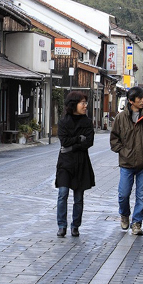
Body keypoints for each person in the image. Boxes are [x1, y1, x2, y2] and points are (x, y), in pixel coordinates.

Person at [110, 86, 143, 236]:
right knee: (123, 194)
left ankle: (137, 223)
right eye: (138, 98)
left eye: (142, 98)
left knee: (142, 195)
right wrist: (122, 151)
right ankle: (124, 214)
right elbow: (114, 139)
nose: (141, 101)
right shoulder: (121, 118)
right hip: (126, 163)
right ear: (131, 101)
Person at [55, 91, 96, 237]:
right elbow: (63, 141)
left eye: (86, 103)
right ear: (74, 104)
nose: (85, 106)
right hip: (65, 163)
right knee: (63, 193)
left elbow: (89, 142)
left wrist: (72, 146)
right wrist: (79, 139)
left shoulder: (87, 122)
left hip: (81, 162)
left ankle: (75, 226)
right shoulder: (64, 121)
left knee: (79, 197)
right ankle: (61, 225)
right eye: (82, 103)